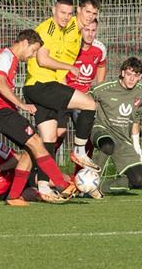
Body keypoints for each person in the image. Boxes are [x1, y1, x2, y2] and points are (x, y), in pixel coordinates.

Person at [0, 29, 76, 206]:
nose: (32, 56)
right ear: (25, 43)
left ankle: (14, 196)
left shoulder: (11, 59)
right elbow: (0, 84)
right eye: (32, 50)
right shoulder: (5, 56)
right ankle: (62, 185)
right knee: (37, 142)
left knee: (29, 151)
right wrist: (22, 105)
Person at [23, 0, 101, 199]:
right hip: (42, 85)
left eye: (94, 14)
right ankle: (80, 150)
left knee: (50, 137)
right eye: (87, 12)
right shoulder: (49, 28)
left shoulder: (72, 28)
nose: (89, 17)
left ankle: (43, 186)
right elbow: (42, 58)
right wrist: (69, 68)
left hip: (46, 86)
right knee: (89, 104)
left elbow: (77, 36)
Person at [56, 18, 107, 198]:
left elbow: (101, 65)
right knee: (56, 137)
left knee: (86, 139)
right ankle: (49, 178)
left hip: (83, 100)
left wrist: (97, 90)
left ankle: (81, 181)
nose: (90, 34)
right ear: (80, 30)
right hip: (64, 96)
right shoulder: (71, 47)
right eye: (87, 30)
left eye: (93, 30)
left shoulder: (99, 49)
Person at [90, 57, 142, 194]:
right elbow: (85, 98)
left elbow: (136, 119)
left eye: (136, 75)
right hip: (102, 129)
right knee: (107, 145)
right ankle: (90, 182)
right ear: (122, 73)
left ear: (140, 77)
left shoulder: (140, 92)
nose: (132, 79)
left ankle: (100, 187)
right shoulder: (104, 89)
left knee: (138, 181)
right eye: (129, 74)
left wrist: (136, 145)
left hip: (123, 139)